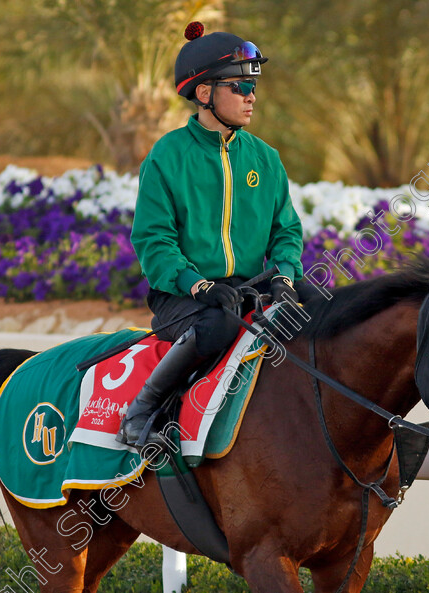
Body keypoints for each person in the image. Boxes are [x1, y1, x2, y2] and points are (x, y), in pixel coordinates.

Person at [116, 22, 304, 448]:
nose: (251, 96)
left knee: (317, 309)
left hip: (251, 288)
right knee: (219, 322)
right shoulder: (167, 156)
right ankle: (141, 412)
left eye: (252, 86)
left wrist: (284, 275)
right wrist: (198, 286)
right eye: (239, 86)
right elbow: (153, 242)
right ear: (205, 94)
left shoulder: (265, 158)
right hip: (184, 298)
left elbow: (286, 230)